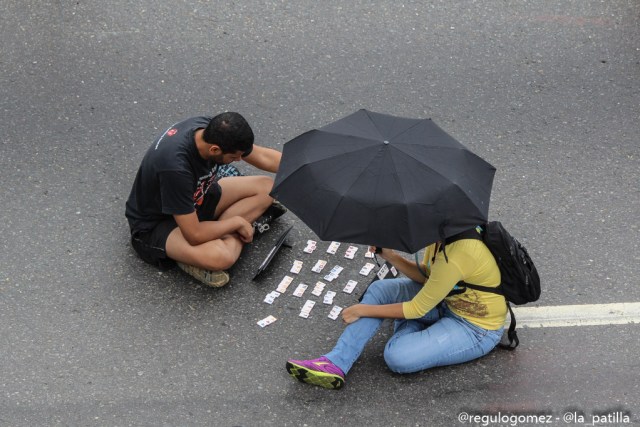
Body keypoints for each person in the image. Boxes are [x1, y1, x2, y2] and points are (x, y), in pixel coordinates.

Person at [286, 227, 507, 389]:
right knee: (382, 290)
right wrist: (390, 256)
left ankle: (415, 328)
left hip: (474, 327)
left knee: (398, 357)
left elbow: (417, 308)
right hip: (445, 301)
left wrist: (362, 310)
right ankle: (336, 362)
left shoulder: (458, 253)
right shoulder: (442, 236)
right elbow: (429, 276)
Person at [125, 112, 285, 287]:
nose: (239, 160)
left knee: (268, 188)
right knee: (221, 257)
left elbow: (263, 156)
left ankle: (219, 236)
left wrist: (303, 172)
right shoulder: (176, 169)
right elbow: (194, 234)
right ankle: (200, 251)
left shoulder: (210, 128)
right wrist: (237, 222)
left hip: (197, 197)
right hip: (158, 223)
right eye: (233, 157)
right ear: (214, 149)